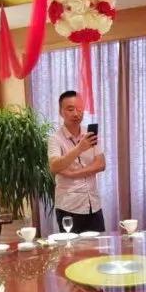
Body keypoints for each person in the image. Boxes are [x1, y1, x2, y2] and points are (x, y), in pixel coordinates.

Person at [47, 90, 106, 233]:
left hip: (93, 204)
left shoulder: (90, 134)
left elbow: (101, 164)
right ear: (61, 112)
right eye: (70, 109)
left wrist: (73, 174)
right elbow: (54, 166)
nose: (76, 113)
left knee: (97, 246)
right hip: (69, 206)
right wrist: (79, 148)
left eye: (79, 109)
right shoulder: (55, 139)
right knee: (72, 247)